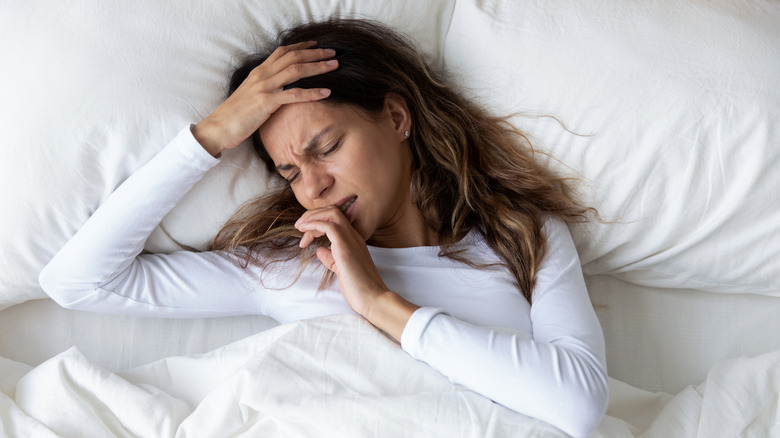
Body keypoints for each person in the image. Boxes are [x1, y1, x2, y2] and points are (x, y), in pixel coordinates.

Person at [39, 19, 608, 437]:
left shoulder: (519, 236)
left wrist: (378, 302)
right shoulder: (289, 266)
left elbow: (580, 406)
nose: (312, 187)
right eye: (290, 172)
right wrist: (210, 137)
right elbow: (78, 282)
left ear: (396, 117)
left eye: (327, 147)